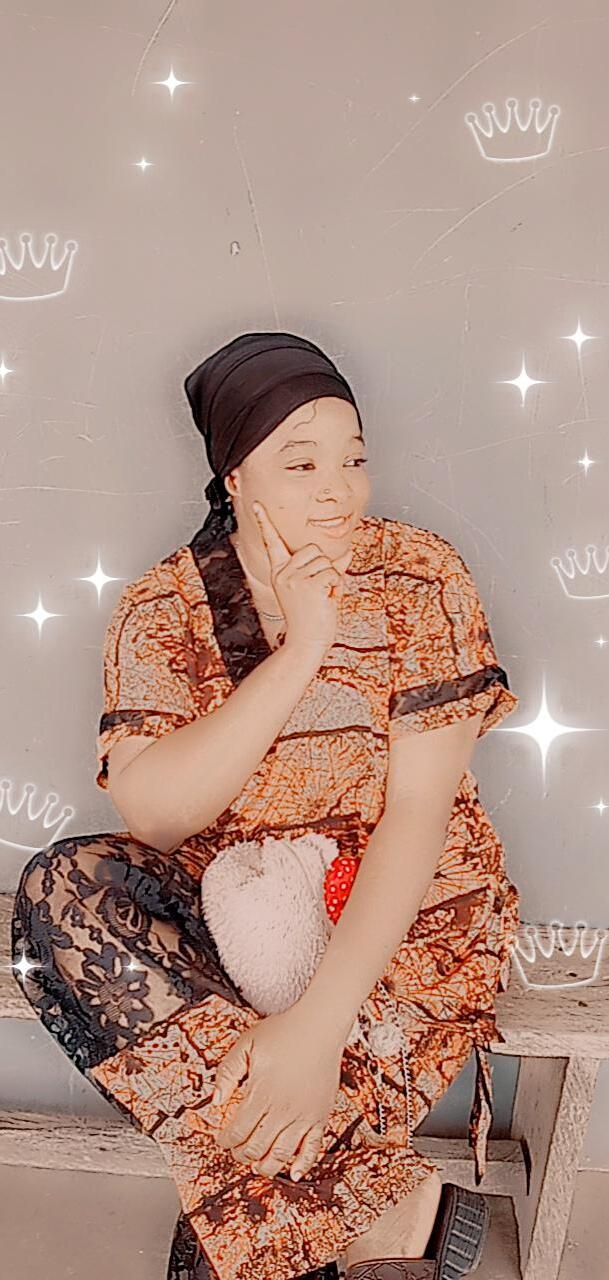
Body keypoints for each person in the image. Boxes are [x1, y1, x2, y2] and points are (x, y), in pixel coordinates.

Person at [11, 331, 521, 1280]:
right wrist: (300, 651)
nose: (338, 490)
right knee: (61, 889)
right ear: (235, 476)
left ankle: (323, 1206)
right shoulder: (163, 607)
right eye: (302, 463)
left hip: (400, 910)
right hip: (237, 908)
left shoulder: (419, 575)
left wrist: (315, 1031)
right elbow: (157, 818)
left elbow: (419, 816)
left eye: (353, 459)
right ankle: (384, 1208)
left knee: (227, 1241)